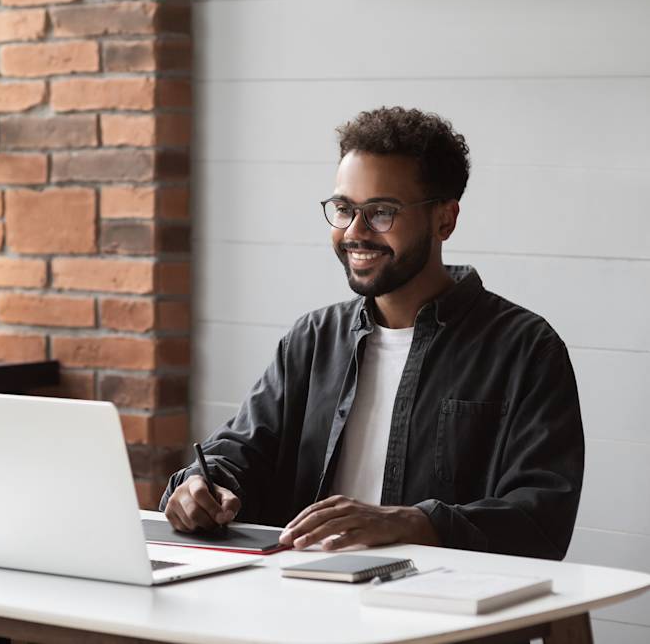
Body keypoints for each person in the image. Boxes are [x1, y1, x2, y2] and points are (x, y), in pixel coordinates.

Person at [160, 107, 584, 560]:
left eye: (381, 212)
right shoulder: (312, 339)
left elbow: (541, 519)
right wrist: (201, 487)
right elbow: (239, 454)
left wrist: (408, 522)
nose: (354, 232)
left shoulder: (524, 349)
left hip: (444, 615)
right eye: (343, 209)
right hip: (302, 602)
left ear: (445, 219)